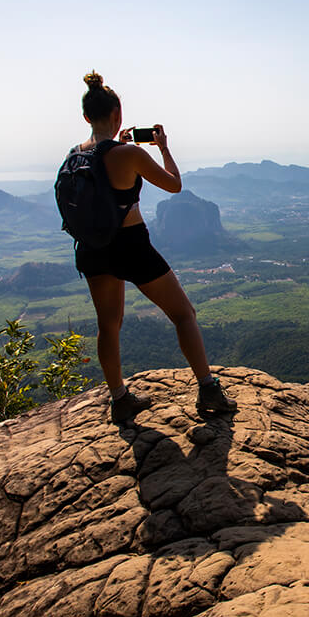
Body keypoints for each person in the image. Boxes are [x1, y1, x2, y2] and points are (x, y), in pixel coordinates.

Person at [68, 71, 235, 423]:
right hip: (131, 245)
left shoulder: (75, 155)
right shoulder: (128, 154)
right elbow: (174, 185)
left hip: (92, 248)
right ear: (119, 115)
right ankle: (207, 389)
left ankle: (120, 399)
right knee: (183, 313)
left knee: (108, 325)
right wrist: (163, 148)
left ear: (86, 117)